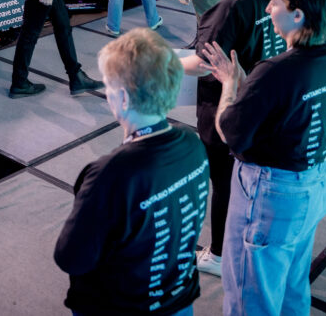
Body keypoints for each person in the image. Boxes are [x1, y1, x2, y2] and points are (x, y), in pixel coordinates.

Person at [202, 0, 326, 315]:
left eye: (274, 3)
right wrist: (247, 85)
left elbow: (227, 129)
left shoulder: (276, 71)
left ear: (297, 15)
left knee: (250, 297)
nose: (267, 9)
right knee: (291, 286)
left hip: (273, 197)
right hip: (317, 184)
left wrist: (229, 83)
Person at [54, 28, 209, 316]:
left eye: (108, 86)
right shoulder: (193, 144)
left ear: (123, 98)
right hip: (178, 300)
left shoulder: (110, 174)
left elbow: (71, 258)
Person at [180, 0, 288, 278]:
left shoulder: (230, 8)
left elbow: (204, 63)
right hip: (266, 104)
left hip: (227, 109)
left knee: (225, 183)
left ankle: (218, 253)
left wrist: (158, 63)